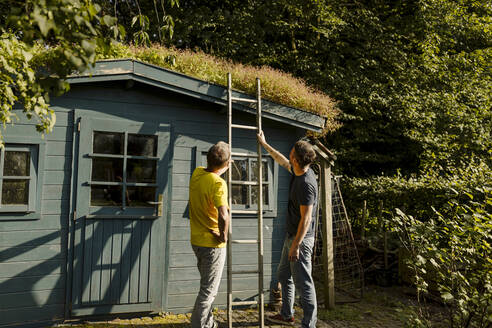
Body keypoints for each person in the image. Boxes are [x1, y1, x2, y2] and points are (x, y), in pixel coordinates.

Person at [257, 131, 318, 328]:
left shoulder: (306, 184)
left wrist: (296, 246)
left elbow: (306, 218)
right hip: (292, 236)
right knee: (283, 274)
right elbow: (281, 160)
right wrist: (265, 145)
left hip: (300, 240)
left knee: (304, 285)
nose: (289, 154)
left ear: (296, 158)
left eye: (291, 152)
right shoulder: (299, 170)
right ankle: (287, 315)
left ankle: (309, 324)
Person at [189, 141, 231, 328]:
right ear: (226, 164)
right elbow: (223, 214)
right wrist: (224, 236)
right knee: (208, 292)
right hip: (213, 246)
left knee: (207, 287)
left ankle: (209, 324)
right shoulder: (218, 183)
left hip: (197, 241)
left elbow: (211, 172)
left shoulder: (197, 174)